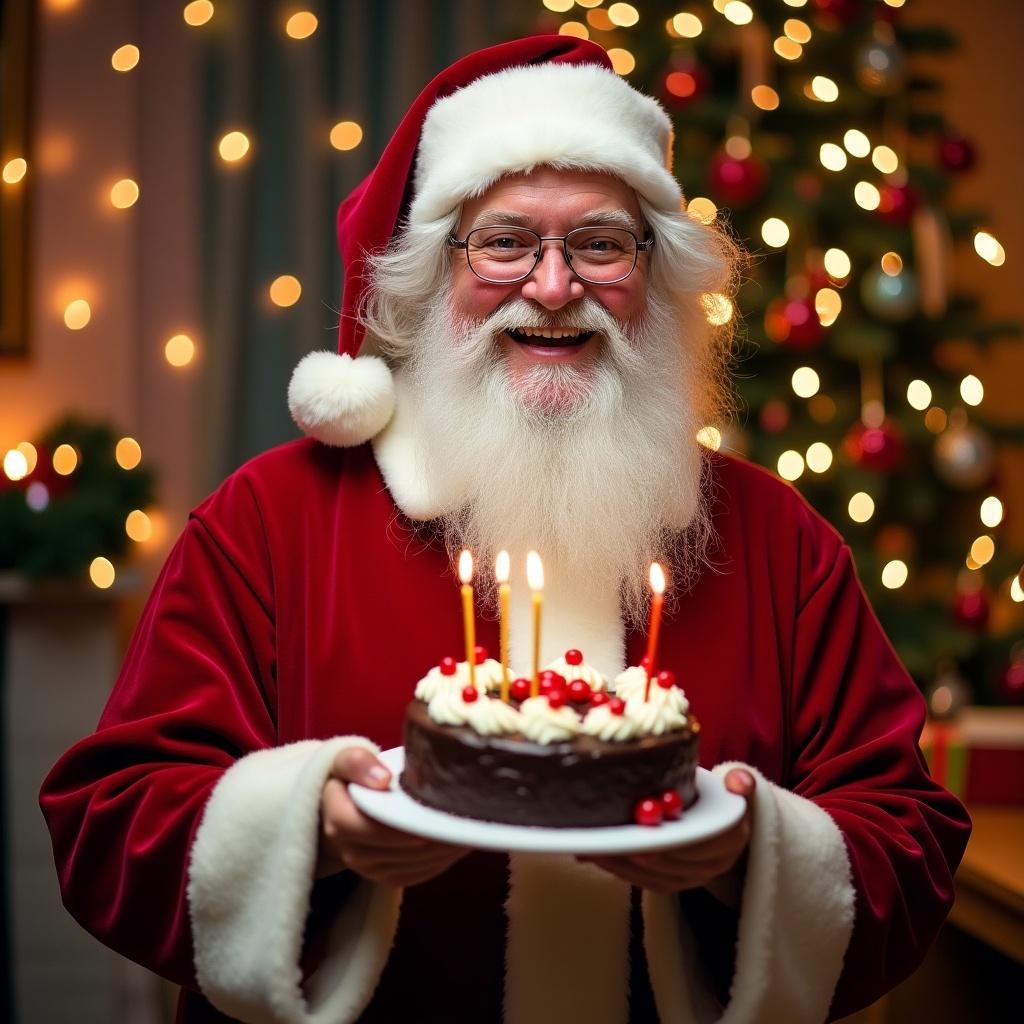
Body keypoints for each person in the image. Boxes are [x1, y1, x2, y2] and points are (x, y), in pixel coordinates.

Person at [40, 36, 970, 1024]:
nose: (555, 285)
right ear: (429, 274)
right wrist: (310, 827)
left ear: (656, 275)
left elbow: (904, 840)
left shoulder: (775, 537)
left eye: (602, 243)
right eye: (504, 241)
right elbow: (110, 821)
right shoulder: (269, 521)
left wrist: (752, 853)